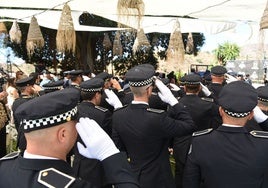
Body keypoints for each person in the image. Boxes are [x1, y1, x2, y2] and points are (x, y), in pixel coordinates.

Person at [0, 88, 140, 188]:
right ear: (63, 134)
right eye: (75, 124)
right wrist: (111, 155)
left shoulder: (4, 165)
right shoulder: (71, 185)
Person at [112, 64, 196, 188]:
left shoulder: (118, 115)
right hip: (159, 180)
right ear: (149, 90)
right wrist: (173, 101)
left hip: (133, 178)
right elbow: (189, 125)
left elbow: (119, 148)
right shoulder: (157, 118)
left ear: (130, 87)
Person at [183, 81, 268, 188]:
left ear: (220, 111)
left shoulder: (200, 141)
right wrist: (264, 121)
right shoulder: (264, 144)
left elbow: (190, 182)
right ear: (251, 115)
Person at [172, 74, 220, 188]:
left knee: (180, 174)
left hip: (180, 144)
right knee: (200, 175)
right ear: (199, 88)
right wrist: (211, 95)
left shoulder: (175, 104)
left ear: (184, 87)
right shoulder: (208, 104)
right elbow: (222, 110)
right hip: (202, 144)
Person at [73, 78, 114, 187]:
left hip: (79, 164)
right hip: (98, 167)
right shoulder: (103, 114)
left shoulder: (73, 112)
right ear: (97, 95)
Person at [12, 76, 36, 151]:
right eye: (32, 86)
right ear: (28, 87)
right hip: (33, 140)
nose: (34, 88)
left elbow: (16, 123)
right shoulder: (33, 102)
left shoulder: (16, 102)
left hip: (22, 139)